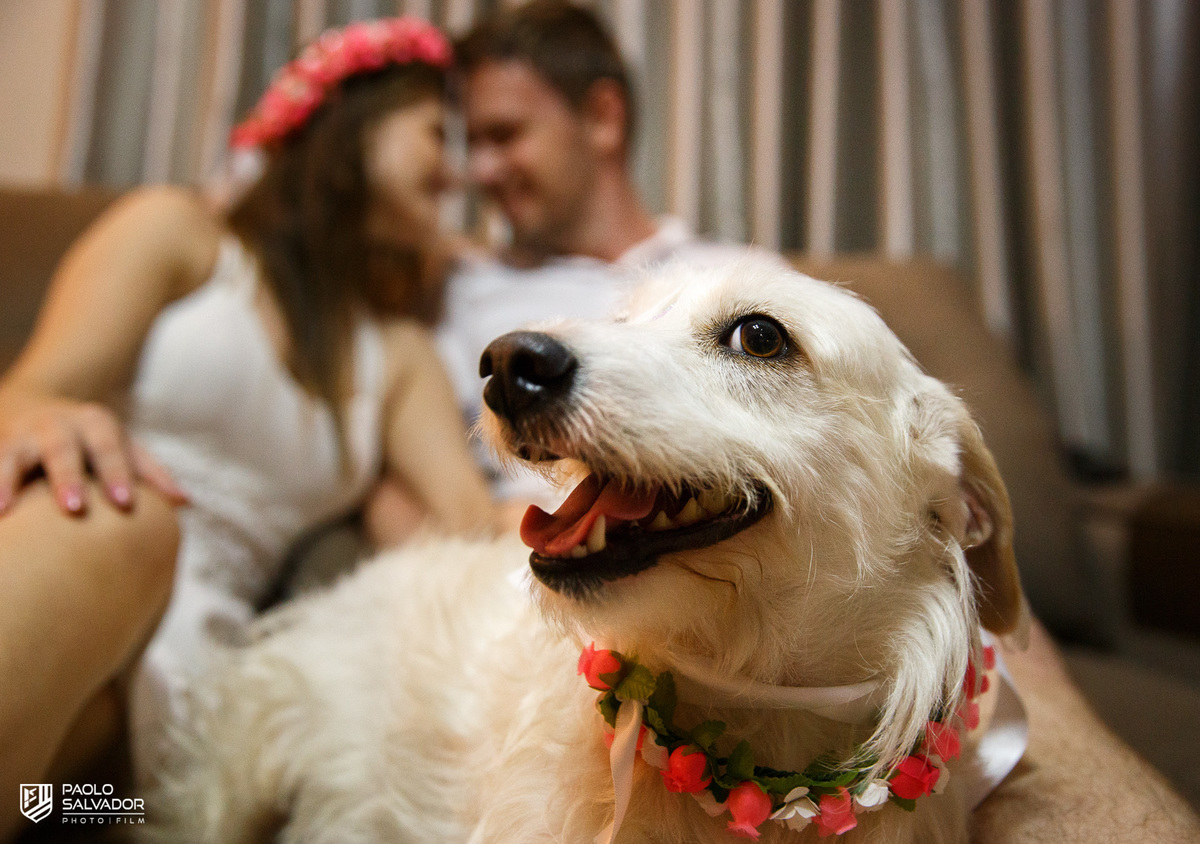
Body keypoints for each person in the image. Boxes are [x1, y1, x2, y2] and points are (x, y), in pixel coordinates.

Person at [405, 1, 1200, 841]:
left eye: (504, 135)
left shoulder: (735, 269)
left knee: (1008, 659)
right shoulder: (452, 294)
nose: (479, 170)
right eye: (467, 143)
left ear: (601, 116)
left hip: (801, 581)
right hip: (517, 573)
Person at [0, 17, 495, 838]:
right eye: (435, 136)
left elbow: (470, 523)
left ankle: (67, 813)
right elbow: (28, 391)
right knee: (131, 526)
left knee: (74, 789)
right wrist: (51, 416)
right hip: (73, 544)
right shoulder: (178, 233)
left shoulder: (397, 354)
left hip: (178, 700)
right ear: (353, 124)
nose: (456, 173)